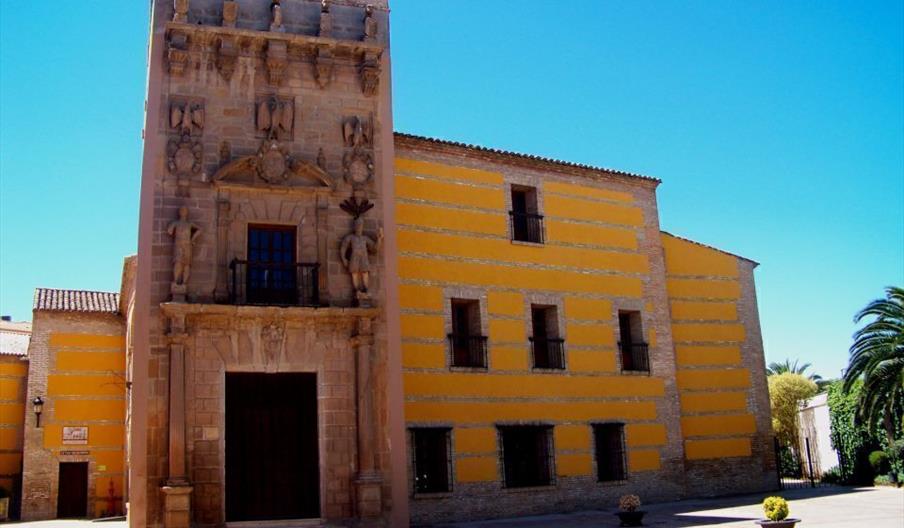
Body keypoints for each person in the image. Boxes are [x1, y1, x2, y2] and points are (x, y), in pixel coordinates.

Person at [340, 217, 383, 297]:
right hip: (354, 258)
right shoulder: (350, 237)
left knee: (365, 272)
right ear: (354, 226)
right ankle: (356, 290)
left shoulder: (365, 238)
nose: (359, 227)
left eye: (360, 225)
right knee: (354, 273)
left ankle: (365, 289)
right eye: (357, 225)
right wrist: (344, 259)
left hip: (364, 258)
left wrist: (379, 239)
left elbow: (374, 248)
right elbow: (343, 247)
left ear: (362, 226)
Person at [167, 206, 201, 286]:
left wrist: (192, 239)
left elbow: (200, 229)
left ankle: (184, 283)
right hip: (178, 245)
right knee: (177, 263)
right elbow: (169, 231)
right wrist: (172, 227)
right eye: (181, 210)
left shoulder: (189, 224)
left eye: (185, 210)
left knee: (187, 265)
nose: (183, 211)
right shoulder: (176, 223)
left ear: (187, 212)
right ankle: (175, 281)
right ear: (179, 212)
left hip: (187, 245)